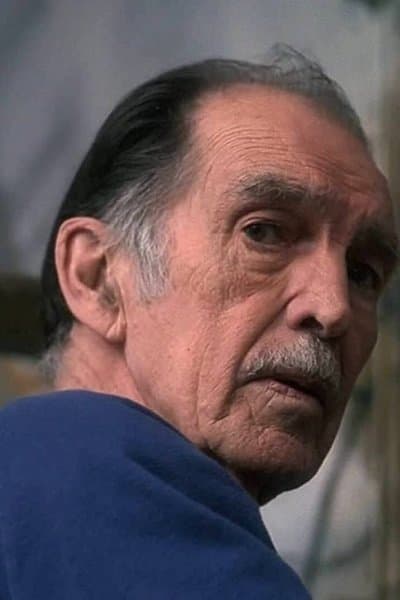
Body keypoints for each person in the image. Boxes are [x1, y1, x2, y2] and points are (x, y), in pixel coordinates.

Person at [0, 46, 398, 599]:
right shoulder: (80, 460)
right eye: (264, 232)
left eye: (362, 274)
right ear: (98, 278)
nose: (332, 309)